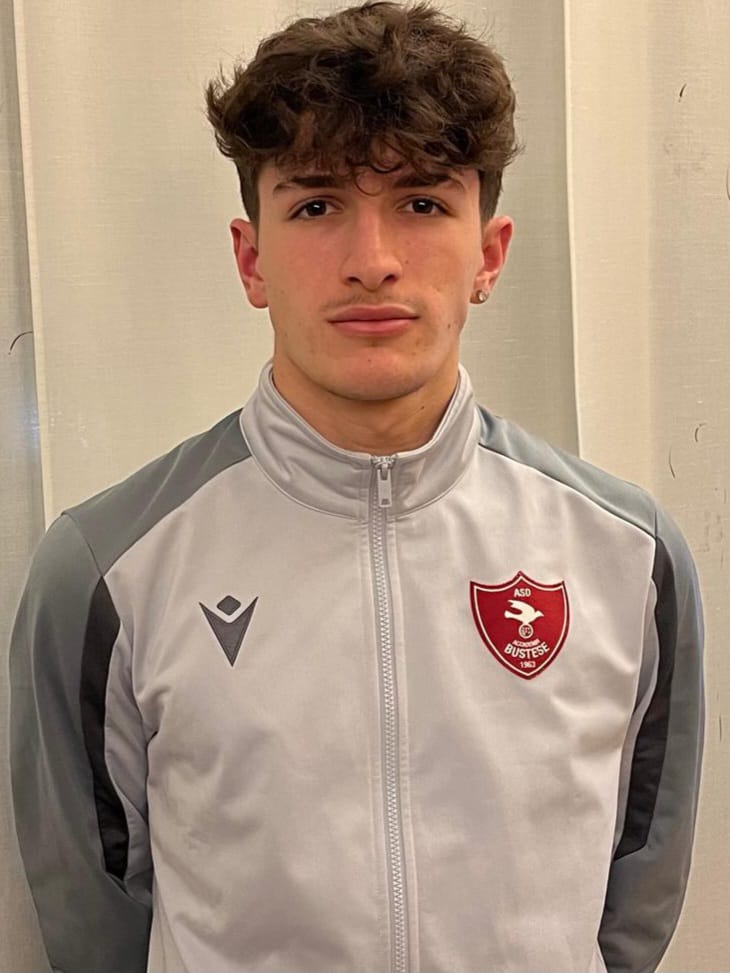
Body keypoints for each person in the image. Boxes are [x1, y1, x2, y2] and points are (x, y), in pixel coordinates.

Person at [9, 2, 704, 972]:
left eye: (421, 203)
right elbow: (94, 926)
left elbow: (632, 903)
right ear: (251, 258)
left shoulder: (629, 557)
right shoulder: (106, 573)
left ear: (488, 255)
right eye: (316, 205)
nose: (372, 262)